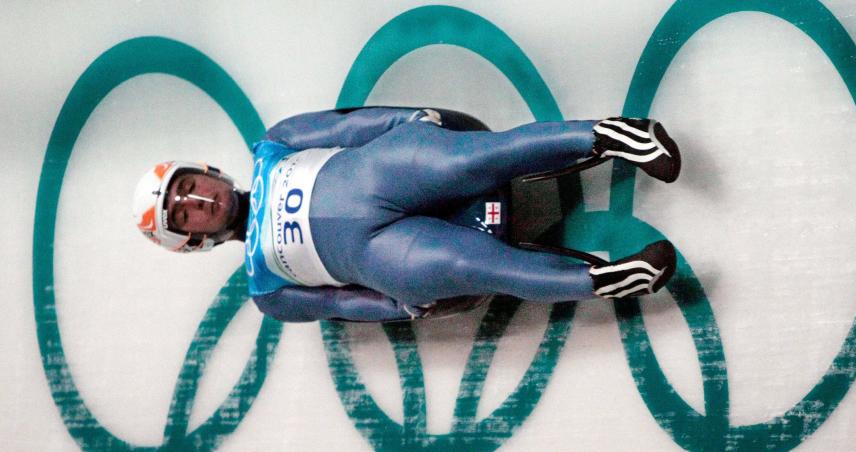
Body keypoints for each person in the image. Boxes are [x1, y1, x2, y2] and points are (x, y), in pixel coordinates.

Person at [133, 107, 681, 322]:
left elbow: (349, 129)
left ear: (206, 172)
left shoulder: (275, 144)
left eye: (189, 186)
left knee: (478, 158)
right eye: (185, 214)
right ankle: (615, 279)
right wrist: (403, 310)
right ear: (193, 241)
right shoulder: (268, 292)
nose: (199, 201)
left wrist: (411, 118)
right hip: (380, 256)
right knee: (476, 267)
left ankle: (618, 135)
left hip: (383, 171)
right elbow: (344, 303)